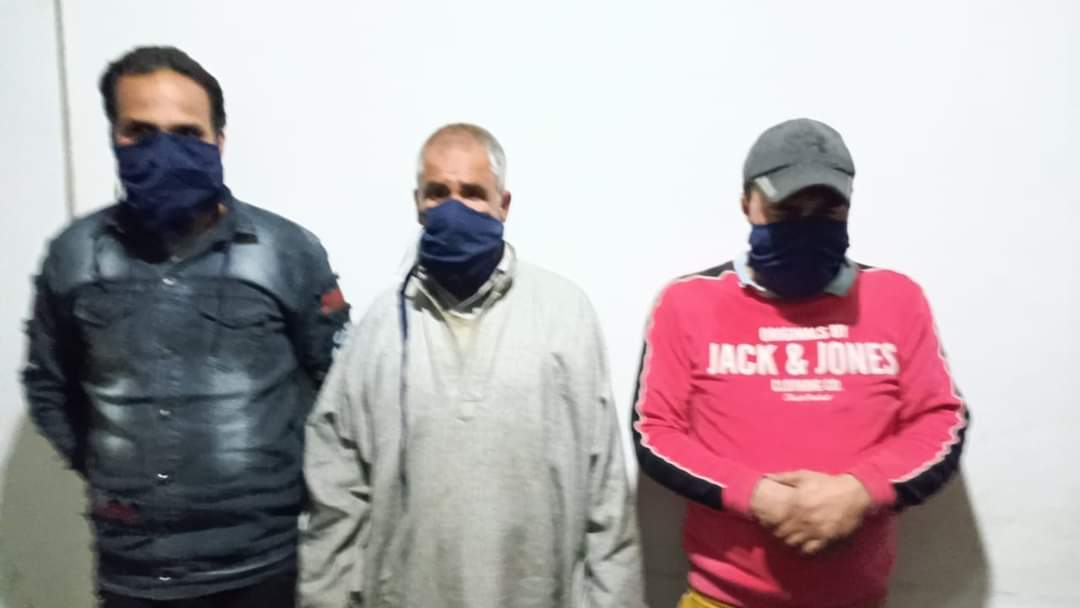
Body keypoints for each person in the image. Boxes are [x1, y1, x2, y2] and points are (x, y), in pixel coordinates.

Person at [21, 46, 349, 607]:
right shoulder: (75, 256)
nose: (165, 150)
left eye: (187, 133)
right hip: (132, 572)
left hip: (263, 567)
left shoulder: (285, 251)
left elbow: (337, 387)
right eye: (140, 132)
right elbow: (50, 385)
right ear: (114, 137)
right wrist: (111, 471)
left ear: (219, 141)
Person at [298, 123, 644, 608]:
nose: (454, 207)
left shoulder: (565, 315)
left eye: (474, 193)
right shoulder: (381, 326)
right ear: (417, 203)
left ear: (504, 204)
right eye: (438, 193)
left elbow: (604, 491)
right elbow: (336, 491)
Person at [632, 118, 969, 608]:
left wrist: (860, 492)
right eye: (785, 209)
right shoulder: (687, 303)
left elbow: (941, 420)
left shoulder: (897, 299)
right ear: (746, 203)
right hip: (722, 600)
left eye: (828, 210)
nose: (806, 225)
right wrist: (756, 496)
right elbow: (654, 431)